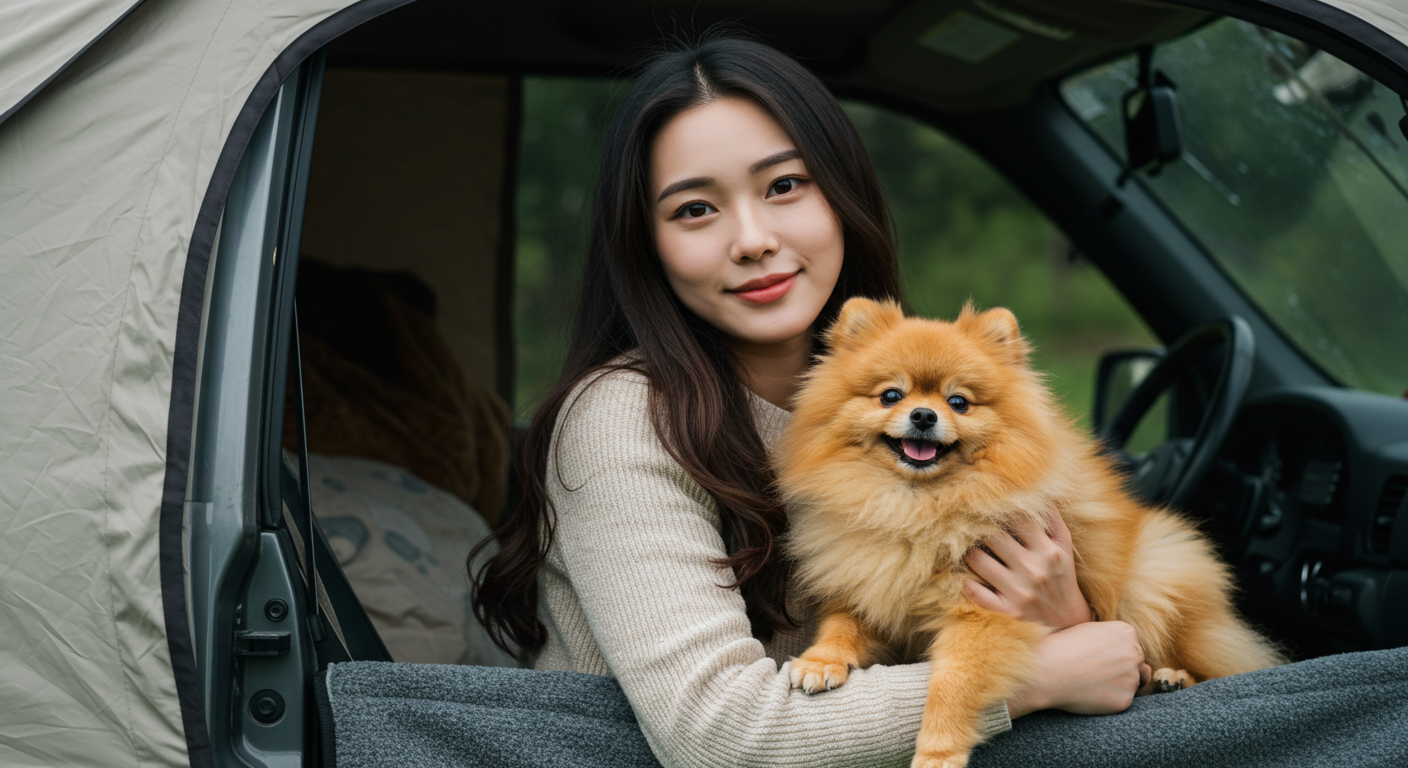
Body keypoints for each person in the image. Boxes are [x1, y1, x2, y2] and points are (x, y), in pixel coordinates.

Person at [471, 35, 1150, 768]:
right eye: (696, 209)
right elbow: (718, 735)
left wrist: (1065, 620)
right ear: (647, 245)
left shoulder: (892, 377)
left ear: (841, 192)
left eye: (784, 186)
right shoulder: (624, 421)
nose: (754, 239)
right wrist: (1036, 678)